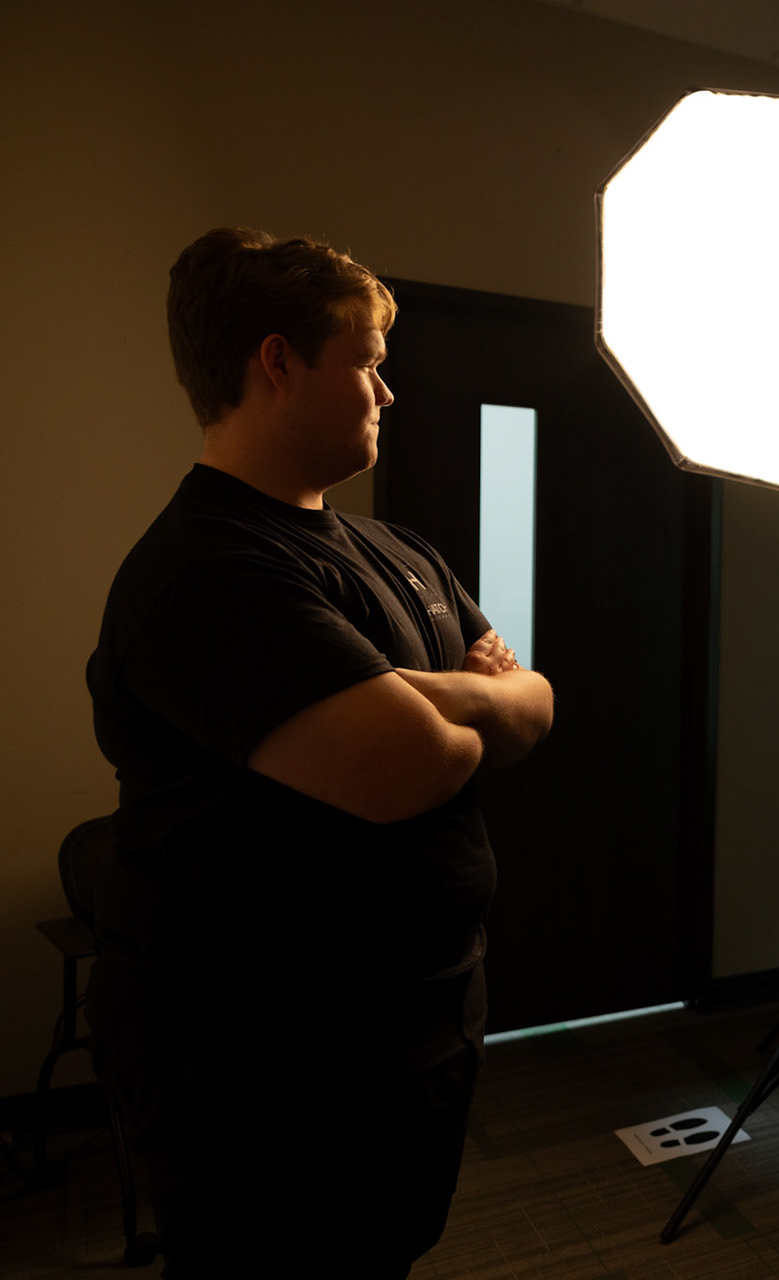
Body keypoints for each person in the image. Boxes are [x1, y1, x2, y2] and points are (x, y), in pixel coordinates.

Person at [85, 228, 555, 1275]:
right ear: (278, 362)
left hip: (415, 1016)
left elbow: (536, 704)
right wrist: (467, 697)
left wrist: (416, 692)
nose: (388, 390)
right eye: (367, 361)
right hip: (266, 1060)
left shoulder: (399, 550)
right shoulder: (206, 568)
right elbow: (413, 766)